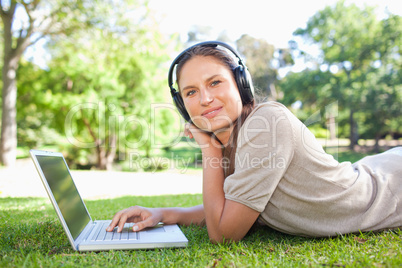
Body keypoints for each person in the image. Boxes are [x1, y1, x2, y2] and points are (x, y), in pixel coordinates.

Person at [107, 41, 402, 243]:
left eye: (215, 82)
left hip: (391, 187)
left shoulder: (266, 123)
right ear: (182, 105)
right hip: (373, 168)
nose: (205, 99)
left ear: (241, 83)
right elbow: (233, 206)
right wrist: (165, 214)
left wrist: (209, 149)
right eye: (191, 92)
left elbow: (223, 234)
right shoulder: (235, 140)